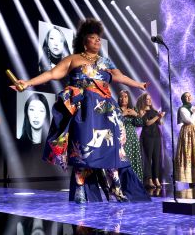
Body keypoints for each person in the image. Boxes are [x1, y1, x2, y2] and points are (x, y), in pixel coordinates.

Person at [15, 18, 150, 203]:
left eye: (99, 38)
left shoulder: (106, 62)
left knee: (111, 150)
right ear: (84, 40)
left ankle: (116, 190)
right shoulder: (73, 59)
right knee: (84, 150)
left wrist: (138, 84)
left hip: (107, 111)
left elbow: (120, 76)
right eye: (93, 38)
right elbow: (52, 74)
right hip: (84, 111)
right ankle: (81, 190)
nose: (97, 41)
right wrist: (28, 82)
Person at [136, 93, 165, 189]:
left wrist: (160, 118)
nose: (149, 100)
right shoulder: (142, 111)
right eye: (147, 99)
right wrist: (158, 116)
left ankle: (156, 178)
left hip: (156, 136)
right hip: (147, 137)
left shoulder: (154, 111)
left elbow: (160, 123)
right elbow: (147, 123)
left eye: (150, 99)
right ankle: (149, 179)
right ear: (143, 100)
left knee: (156, 158)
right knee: (148, 158)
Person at [118, 90, 144, 181]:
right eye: (121, 96)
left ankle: (135, 185)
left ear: (129, 98)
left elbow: (140, 123)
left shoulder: (133, 109)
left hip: (132, 139)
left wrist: (136, 114)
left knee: (134, 161)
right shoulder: (116, 110)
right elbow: (113, 122)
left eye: (126, 96)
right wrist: (122, 114)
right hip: (121, 139)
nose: (123, 99)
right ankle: (123, 184)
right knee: (124, 161)